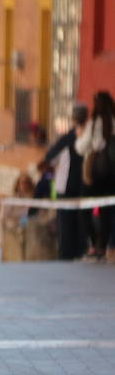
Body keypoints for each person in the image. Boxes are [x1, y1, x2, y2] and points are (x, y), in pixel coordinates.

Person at [42, 103, 88, 260]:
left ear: (73, 118)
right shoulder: (88, 136)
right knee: (81, 223)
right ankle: (79, 252)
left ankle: (67, 255)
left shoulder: (66, 139)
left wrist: (50, 171)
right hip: (85, 187)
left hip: (65, 187)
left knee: (66, 225)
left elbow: (48, 159)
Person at [77, 90, 115, 263]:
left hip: (93, 174)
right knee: (108, 211)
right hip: (111, 174)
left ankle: (92, 244)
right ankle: (104, 246)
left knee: (85, 209)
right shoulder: (114, 122)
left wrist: (80, 136)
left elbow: (80, 147)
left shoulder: (94, 124)